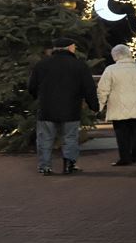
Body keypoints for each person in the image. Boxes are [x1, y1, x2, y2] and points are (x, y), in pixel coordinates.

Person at [27, 37, 99, 175]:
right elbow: (88, 88)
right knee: (70, 137)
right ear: (70, 47)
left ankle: (45, 167)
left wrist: (39, 97)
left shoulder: (42, 64)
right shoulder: (79, 65)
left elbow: (32, 86)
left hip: (47, 108)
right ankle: (69, 165)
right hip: (71, 108)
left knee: (45, 138)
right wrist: (94, 106)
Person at [97, 44, 136, 166]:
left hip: (119, 106)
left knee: (122, 134)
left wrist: (100, 105)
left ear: (115, 56)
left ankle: (125, 158)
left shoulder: (110, 70)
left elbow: (103, 90)